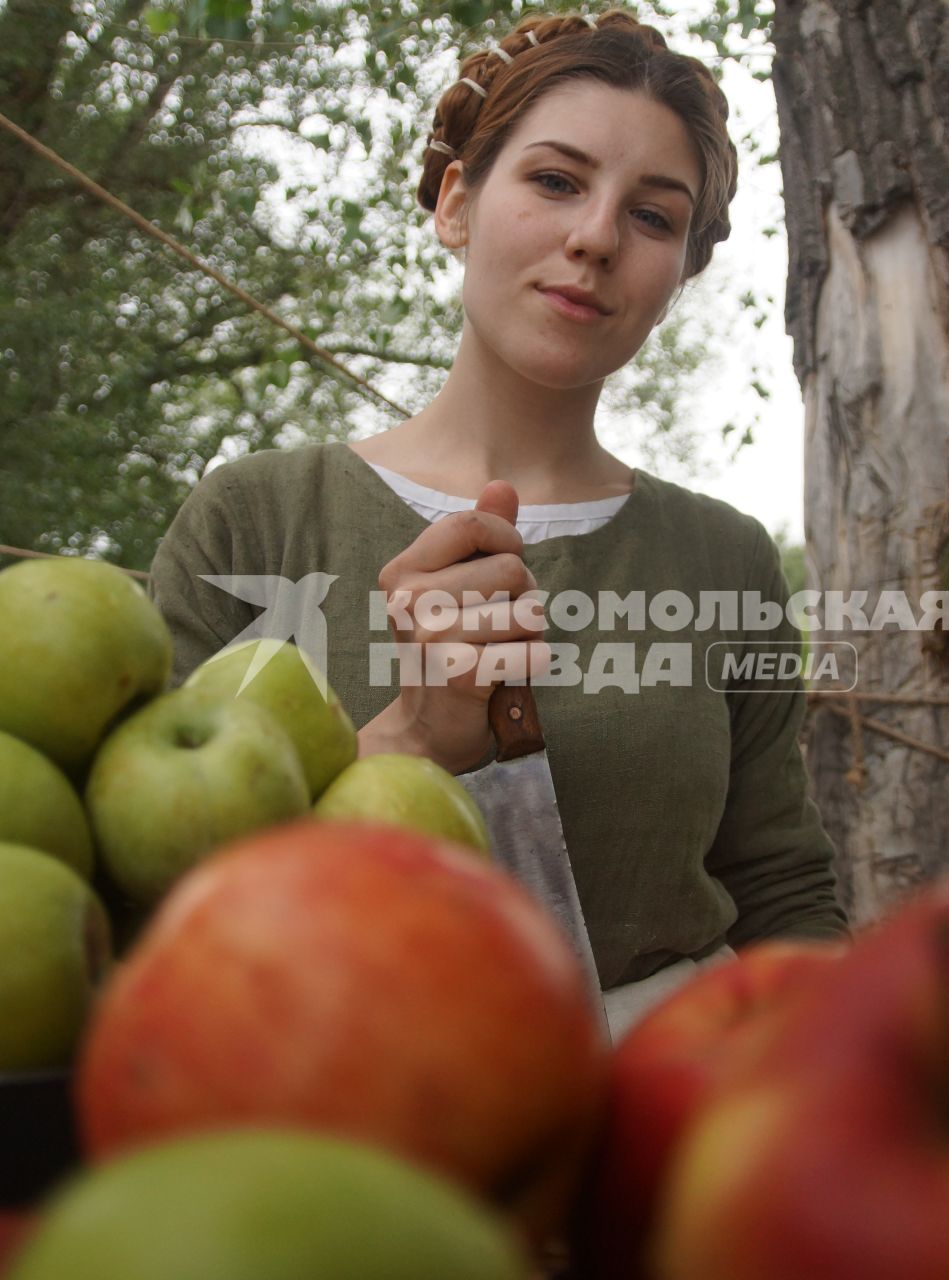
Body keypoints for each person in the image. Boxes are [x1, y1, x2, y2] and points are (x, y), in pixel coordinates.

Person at [148, 7, 847, 1037]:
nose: (596, 237)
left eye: (654, 217)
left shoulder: (725, 559)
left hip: (676, 1112)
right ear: (456, 203)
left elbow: (780, 884)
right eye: (556, 181)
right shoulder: (255, 522)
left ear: (679, 274)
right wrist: (408, 739)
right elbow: (155, 883)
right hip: (329, 1095)